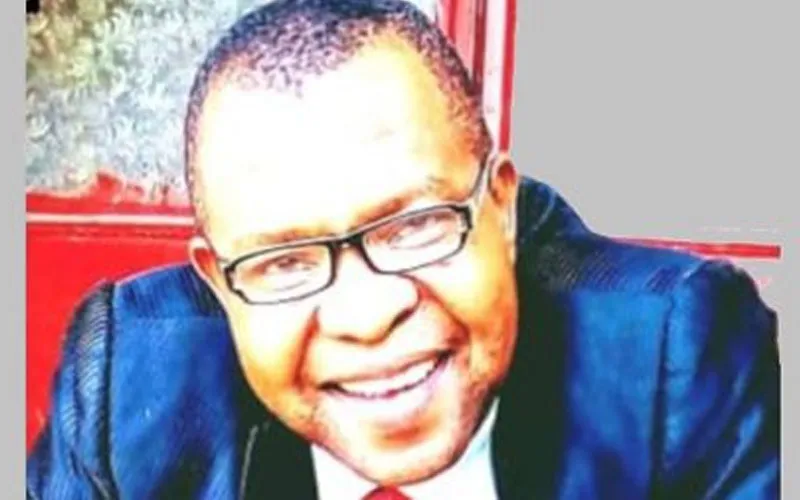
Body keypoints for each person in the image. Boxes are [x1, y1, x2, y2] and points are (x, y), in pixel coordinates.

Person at [27, 0, 779, 498]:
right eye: (283, 262)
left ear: (502, 208)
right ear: (220, 286)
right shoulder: (128, 392)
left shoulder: (678, 361)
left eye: (414, 225)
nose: (365, 316)